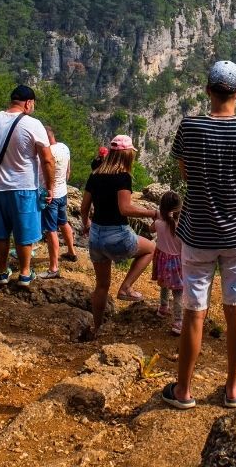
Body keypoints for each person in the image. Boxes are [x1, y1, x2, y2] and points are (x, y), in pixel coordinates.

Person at [162, 60, 236, 412]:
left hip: (197, 234)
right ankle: (233, 389)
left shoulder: (189, 127)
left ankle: (183, 390)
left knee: (194, 312)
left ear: (208, 90)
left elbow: (186, 174)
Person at [0, 85, 55, 287]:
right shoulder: (33, 124)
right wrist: (50, 187)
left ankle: (2, 272)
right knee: (24, 232)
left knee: (0, 233)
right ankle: (25, 274)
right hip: (24, 188)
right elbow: (47, 159)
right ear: (28, 103)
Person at [81, 135, 157, 335]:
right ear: (127, 154)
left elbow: (84, 207)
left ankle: (97, 327)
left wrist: (86, 224)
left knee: (101, 285)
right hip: (116, 234)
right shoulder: (123, 176)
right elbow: (125, 208)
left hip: (96, 235)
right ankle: (126, 287)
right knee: (151, 249)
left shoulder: (95, 174)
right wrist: (153, 213)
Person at [42, 126, 77, 270]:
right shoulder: (64, 147)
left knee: (51, 230)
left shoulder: (47, 152)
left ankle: (53, 267)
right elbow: (68, 171)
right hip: (62, 191)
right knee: (63, 222)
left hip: (51, 195)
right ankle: (71, 252)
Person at [152, 191, 184, 335]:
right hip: (177, 264)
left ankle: (163, 307)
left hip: (163, 262)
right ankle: (178, 321)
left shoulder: (158, 224)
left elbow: (150, 228)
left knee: (164, 285)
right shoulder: (182, 227)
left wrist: (159, 215)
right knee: (178, 292)